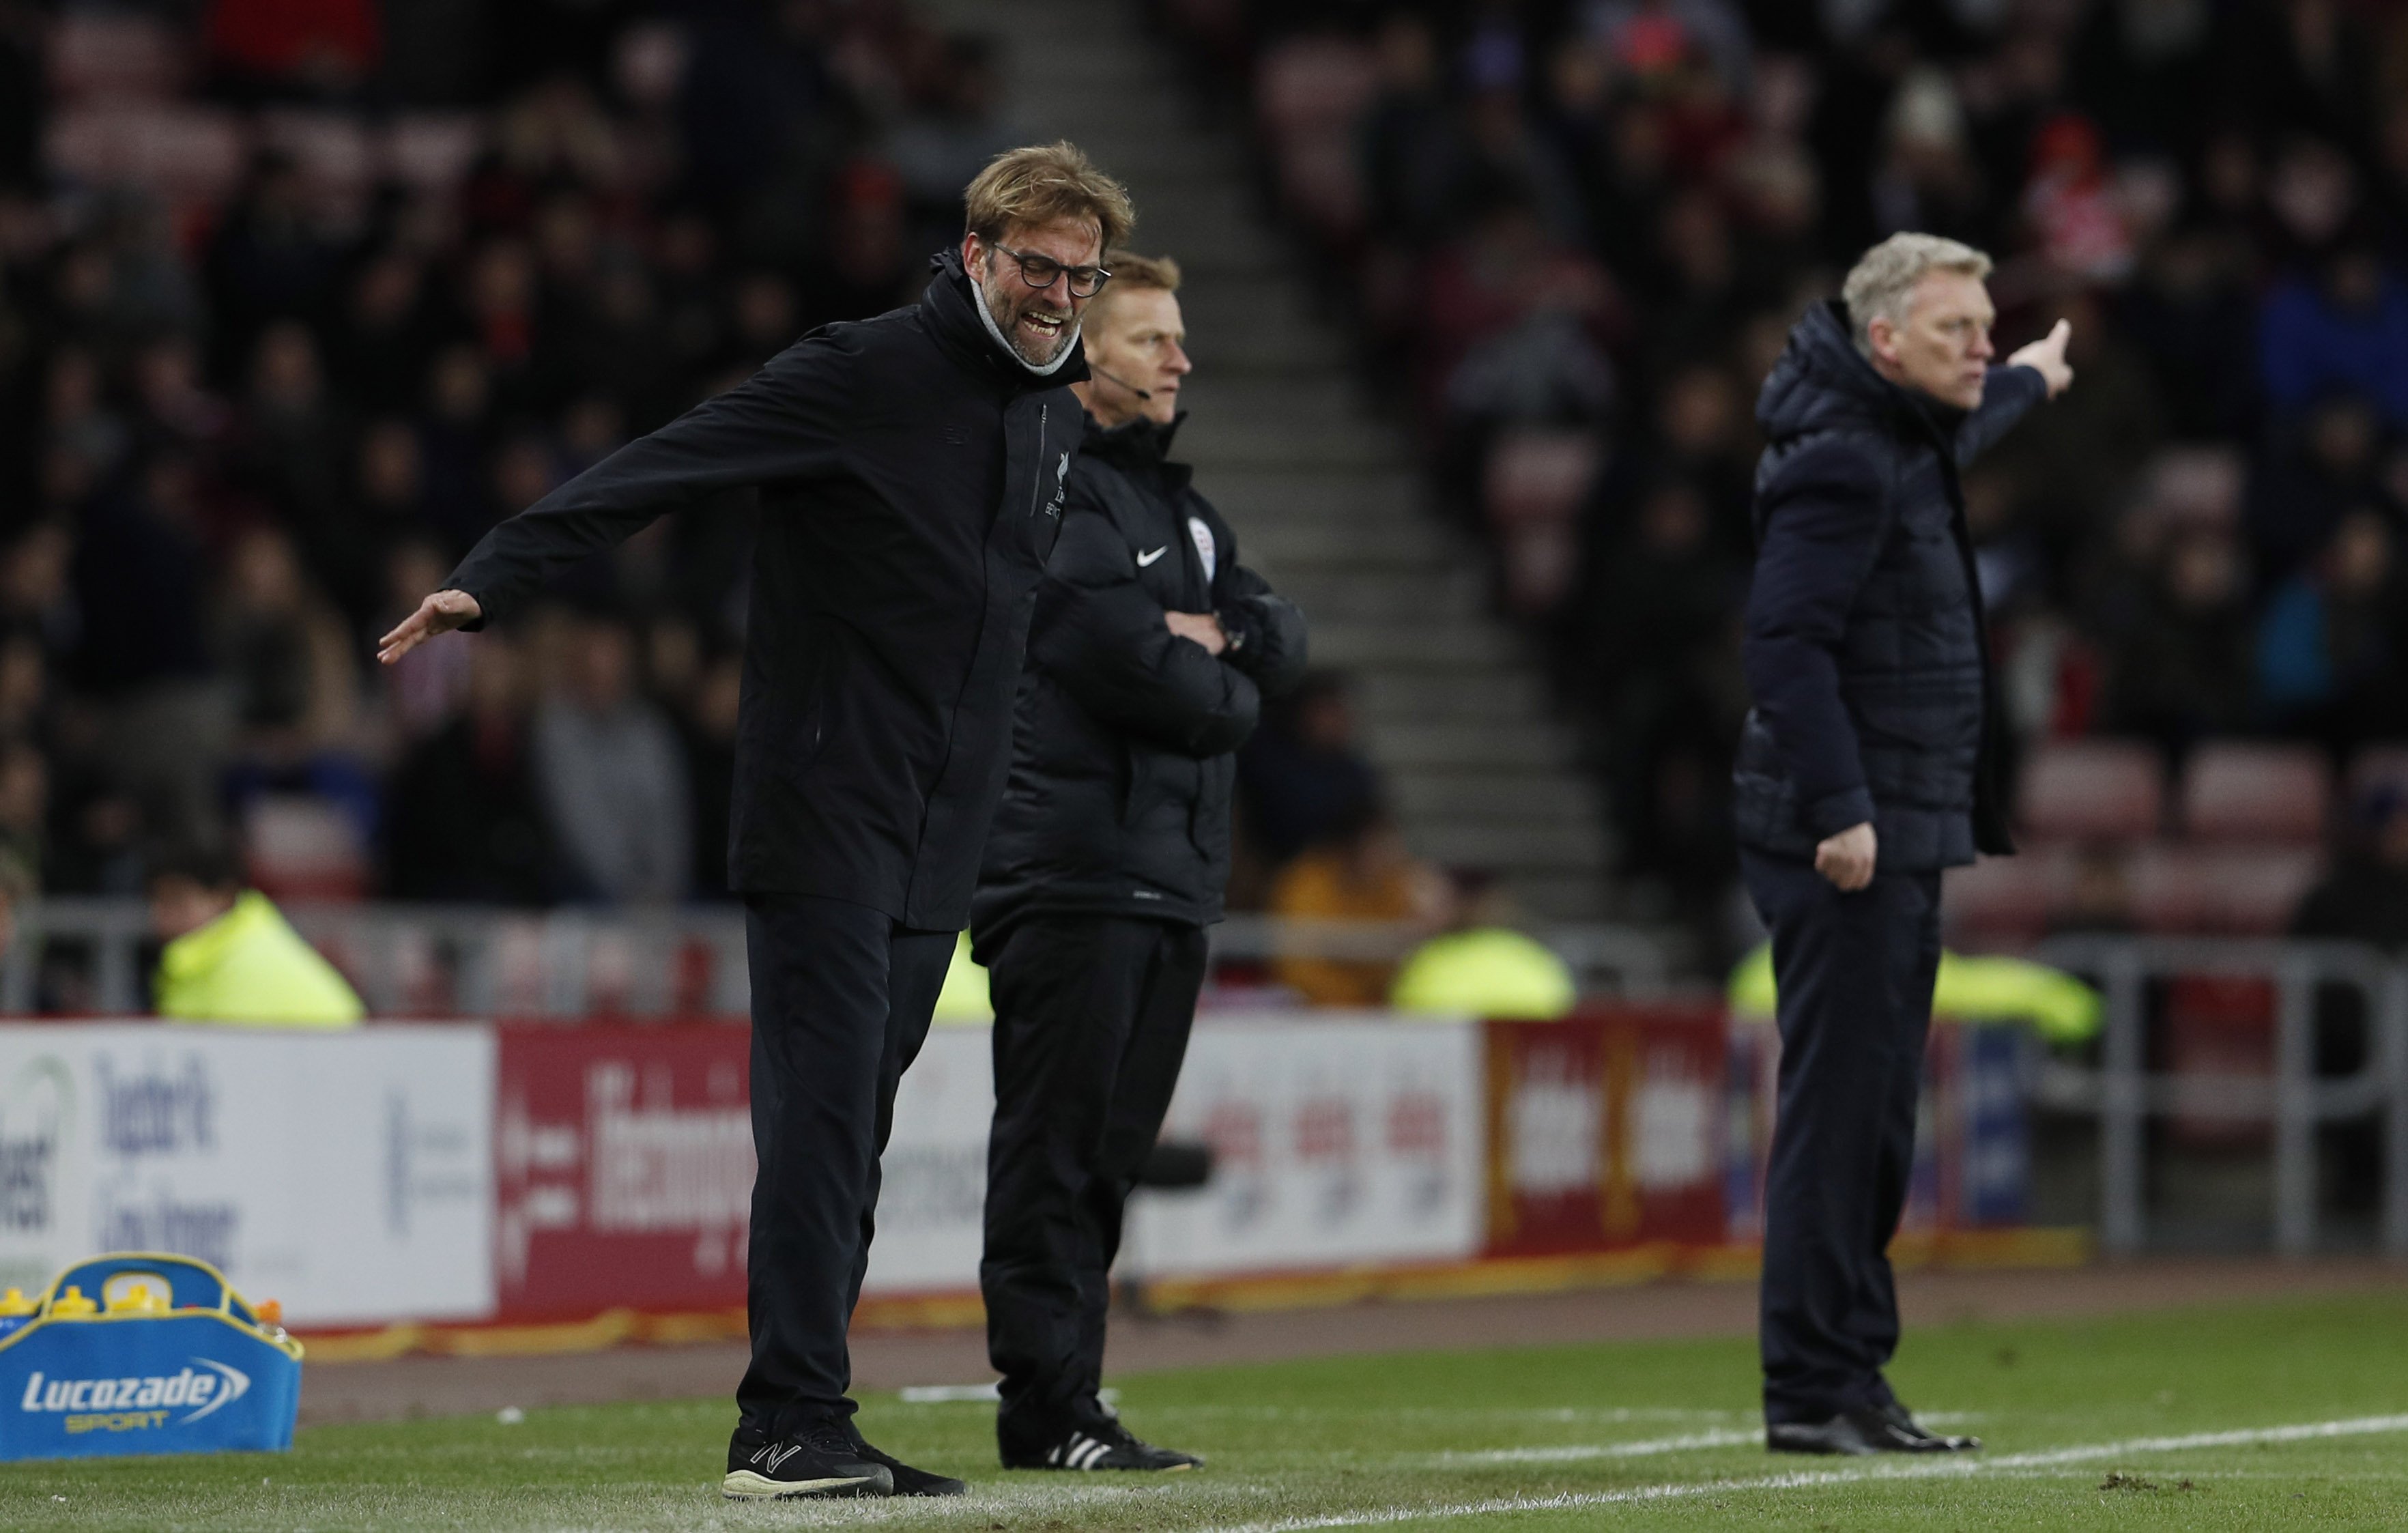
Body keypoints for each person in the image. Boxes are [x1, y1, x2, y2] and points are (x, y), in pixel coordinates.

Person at [377, 143, 1136, 1502]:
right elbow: (663, 466)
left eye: (1081, 277)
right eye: (1038, 266)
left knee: (856, 1135)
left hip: (936, 839)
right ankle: (787, 1421)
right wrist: (490, 580)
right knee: (825, 1126)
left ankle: (804, 1416)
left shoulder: (1049, 419)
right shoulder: (861, 371)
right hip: (824, 813)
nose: (1059, 296)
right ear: (975, 253)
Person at [1732, 232, 2072, 1456]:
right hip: (1848, 837)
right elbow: (1782, 647)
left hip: (1894, 826)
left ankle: (1842, 1378)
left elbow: (1962, 430)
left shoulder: (1888, 436)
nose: (1977, 345)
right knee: (1843, 1117)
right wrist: (1837, 807)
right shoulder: (1845, 462)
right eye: (1956, 332)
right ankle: (1817, 1389)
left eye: (1985, 327)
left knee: (1870, 1117)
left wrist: (2029, 377)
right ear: (1884, 344)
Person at [971, 250, 1305, 1472]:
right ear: (1086, 355)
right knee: (1056, 1153)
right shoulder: (1055, 490)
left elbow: (1284, 634)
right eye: (1151, 338)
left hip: (1165, 870)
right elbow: (1136, 665)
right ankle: (1044, 1407)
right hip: (1069, 867)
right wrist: (1222, 670)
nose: (1180, 359)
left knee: (1102, 1161)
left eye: (1177, 338)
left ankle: (1072, 1399)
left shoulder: (1183, 510)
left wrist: (1216, 644)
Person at [147, 842, 364, 1027]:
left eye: (178, 901)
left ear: (223, 896)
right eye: (158, 901)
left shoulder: (244, 965)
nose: (162, 917)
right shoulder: (210, 958)